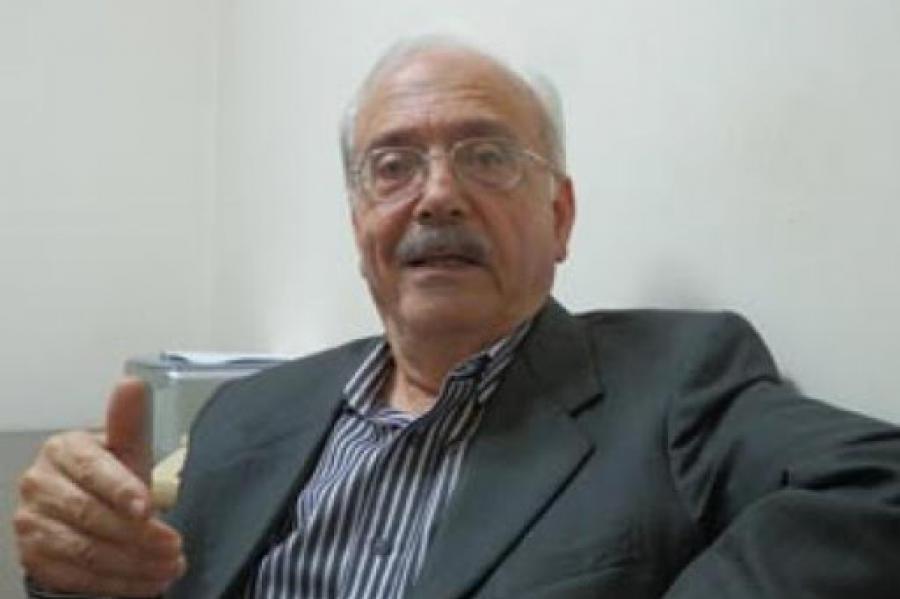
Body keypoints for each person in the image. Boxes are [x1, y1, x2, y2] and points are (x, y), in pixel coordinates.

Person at [13, 36, 900, 599]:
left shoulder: (675, 379)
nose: (438, 194)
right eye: (393, 165)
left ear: (559, 216)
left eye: (485, 156)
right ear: (359, 223)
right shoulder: (252, 411)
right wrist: (74, 564)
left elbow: (877, 485)